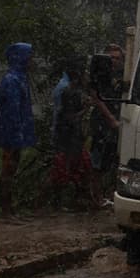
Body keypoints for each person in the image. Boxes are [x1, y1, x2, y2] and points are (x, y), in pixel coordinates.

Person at [0, 42, 36, 223]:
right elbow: (12, 110)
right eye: (29, 56)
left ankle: (11, 209)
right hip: (10, 131)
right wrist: (16, 132)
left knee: (13, 168)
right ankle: (6, 212)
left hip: (18, 130)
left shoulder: (20, 78)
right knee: (8, 169)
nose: (32, 61)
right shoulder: (12, 80)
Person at [43, 59, 92, 210]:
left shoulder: (69, 89)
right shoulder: (70, 91)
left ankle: (72, 201)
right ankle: (49, 203)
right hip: (68, 137)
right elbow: (69, 117)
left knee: (71, 168)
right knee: (64, 169)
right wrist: (87, 108)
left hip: (68, 135)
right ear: (78, 75)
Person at [88, 44, 123, 208]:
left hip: (117, 122)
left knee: (114, 160)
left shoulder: (122, 76)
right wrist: (111, 120)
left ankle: (111, 195)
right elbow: (97, 99)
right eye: (111, 58)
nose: (114, 61)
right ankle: (97, 198)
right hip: (102, 123)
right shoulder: (99, 76)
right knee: (98, 162)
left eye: (117, 58)